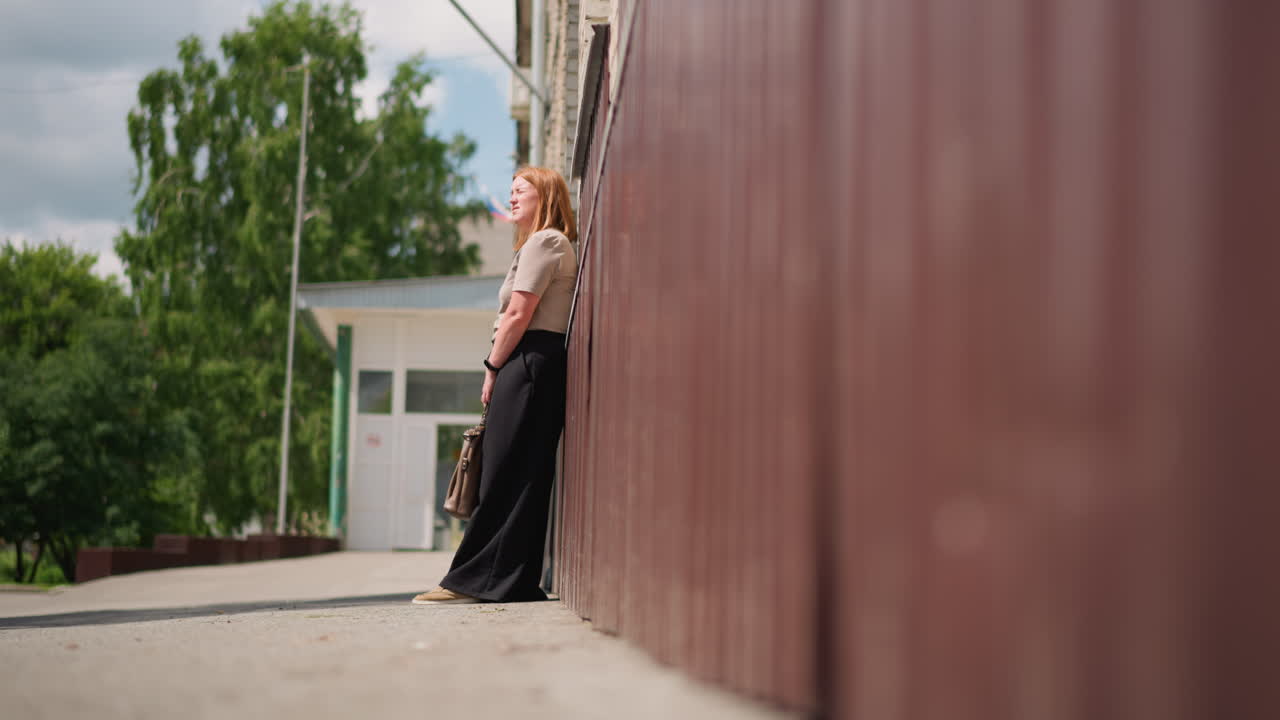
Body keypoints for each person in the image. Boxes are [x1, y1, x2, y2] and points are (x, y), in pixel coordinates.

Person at [413, 166, 577, 605]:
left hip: (528, 361)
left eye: (520, 189)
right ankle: (512, 581)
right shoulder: (541, 245)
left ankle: (467, 581)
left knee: (502, 474)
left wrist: (492, 366)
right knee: (523, 475)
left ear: (544, 195)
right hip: (535, 363)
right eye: (510, 190)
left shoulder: (545, 242)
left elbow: (518, 315)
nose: (511, 197)